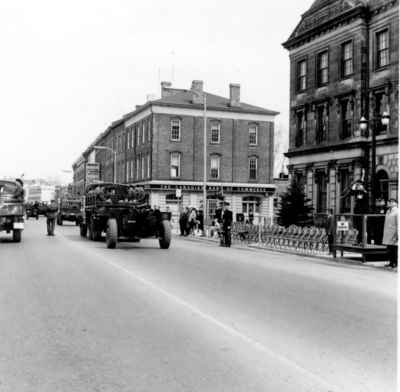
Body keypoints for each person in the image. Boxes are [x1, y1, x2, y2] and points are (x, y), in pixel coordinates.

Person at [382, 198, 398, 268]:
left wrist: (397, 234)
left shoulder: (397, 211)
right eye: (388, 202)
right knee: (389, 249)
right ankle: (391, 262)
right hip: (388, 233)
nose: (388, 204)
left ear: (394, 203)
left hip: (394, 233)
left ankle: (395, 263)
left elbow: (398, 224)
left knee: (394, 249)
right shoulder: (388, 211)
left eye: (389, 202)